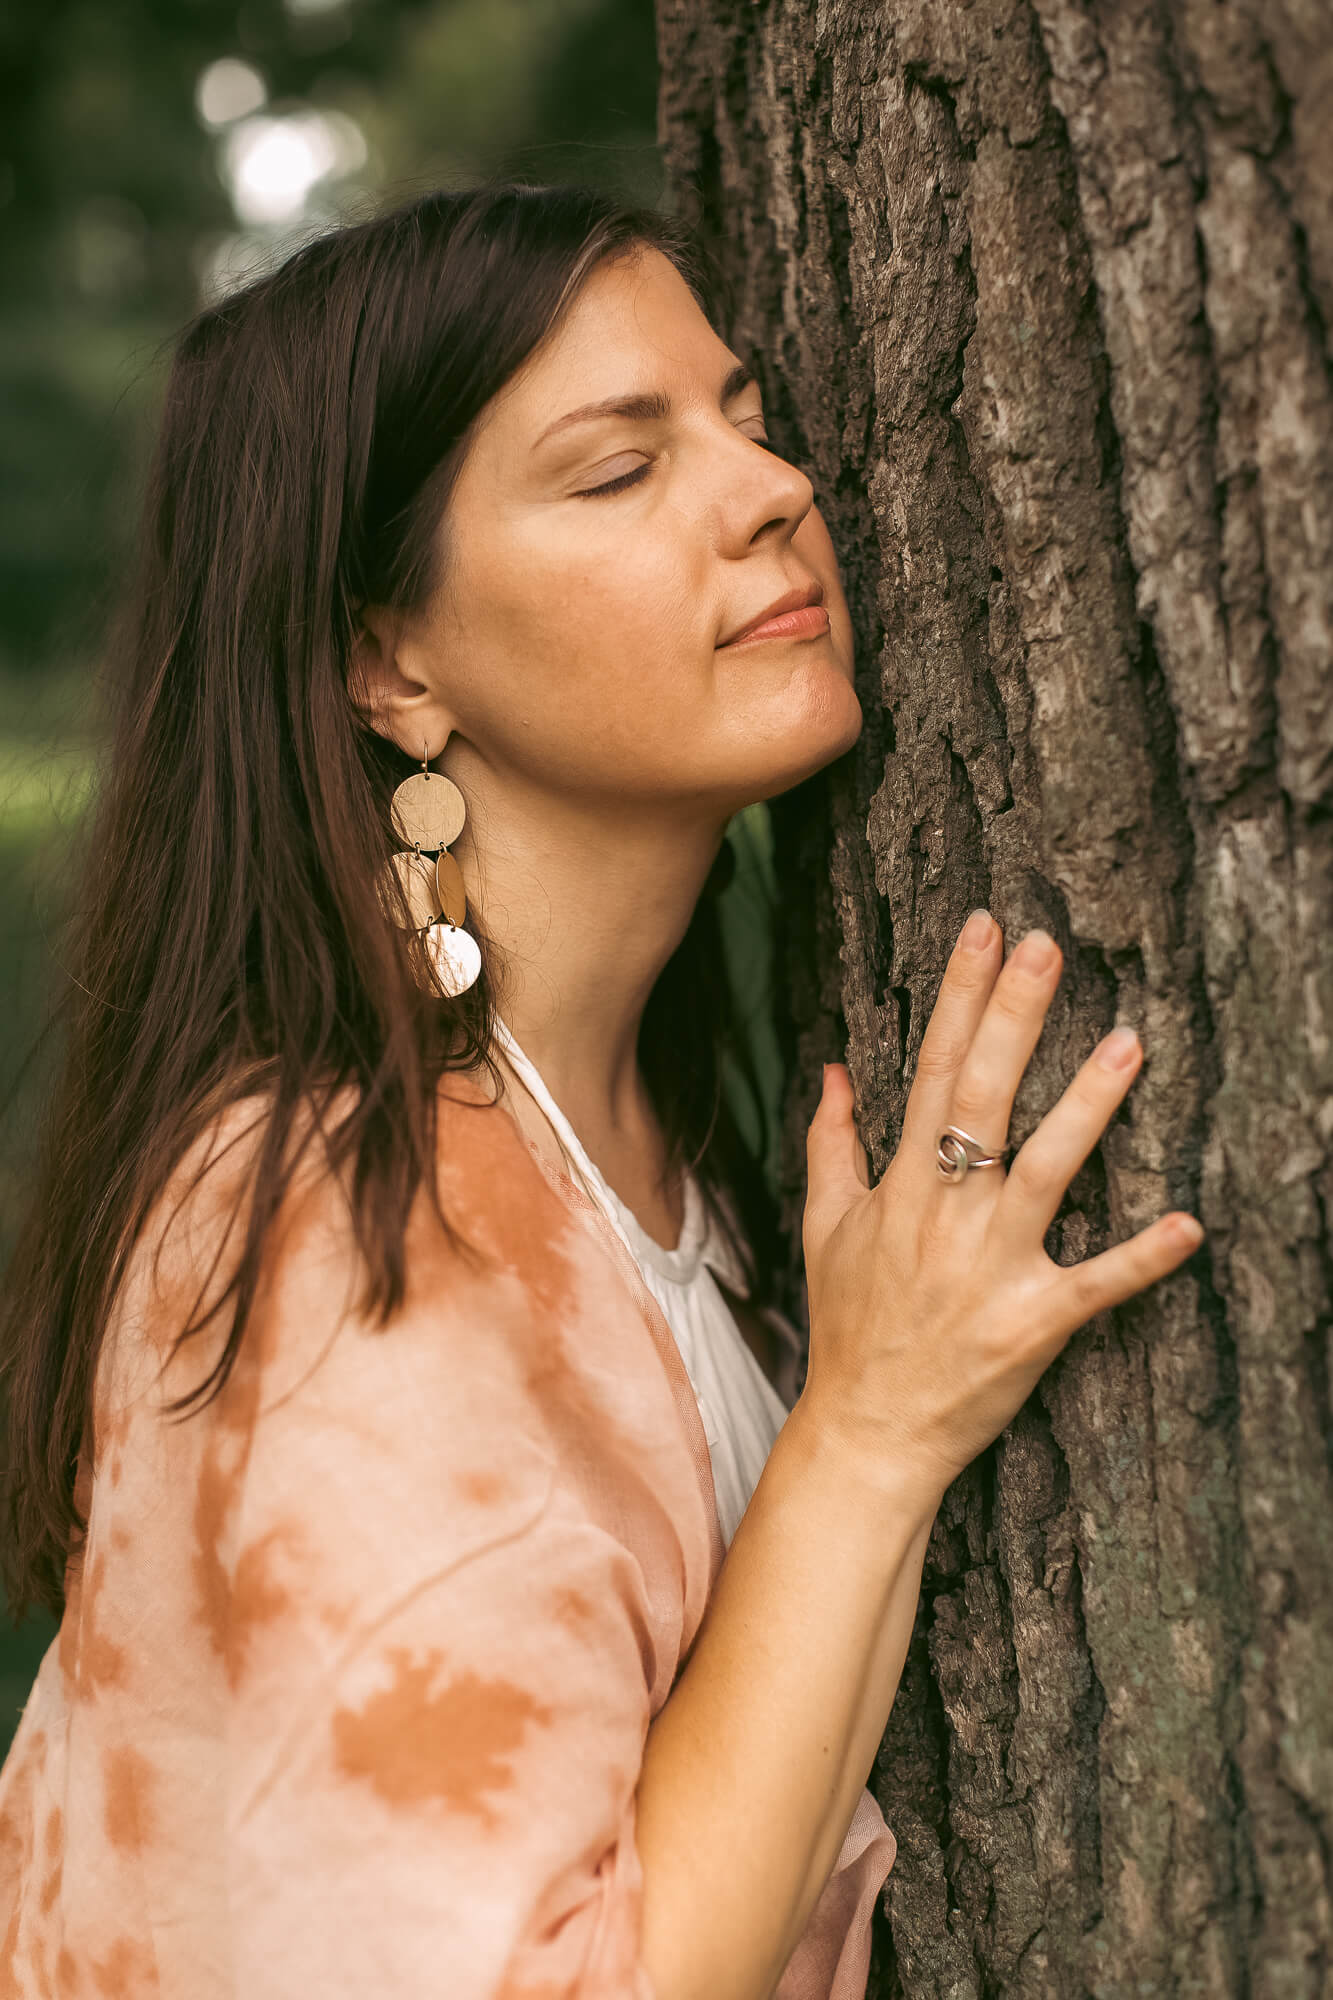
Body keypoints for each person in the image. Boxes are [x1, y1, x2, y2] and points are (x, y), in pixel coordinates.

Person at [0, 180, 1204, 1999]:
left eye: (740, 414)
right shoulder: (334, 1228)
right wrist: (869, 1433)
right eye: (615, 469)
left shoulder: (651, 1159)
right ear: (388, 663)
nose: (771, 488)